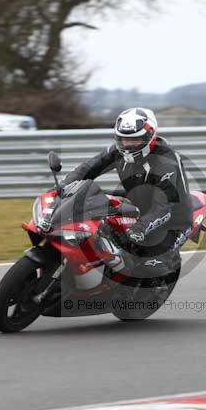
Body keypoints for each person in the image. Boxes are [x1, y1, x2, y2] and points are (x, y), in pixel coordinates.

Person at [60, 107, 192, 281]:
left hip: (172, 220)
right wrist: (62, 186)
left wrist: (138, 229)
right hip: (139, 203)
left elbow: (163, 207)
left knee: (147, 268)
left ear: (150, 137)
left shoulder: (165, 162)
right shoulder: (118, 151)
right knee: (96, 212)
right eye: (124, 139)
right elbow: (87, 168)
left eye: (135, 139)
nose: (128, 145)